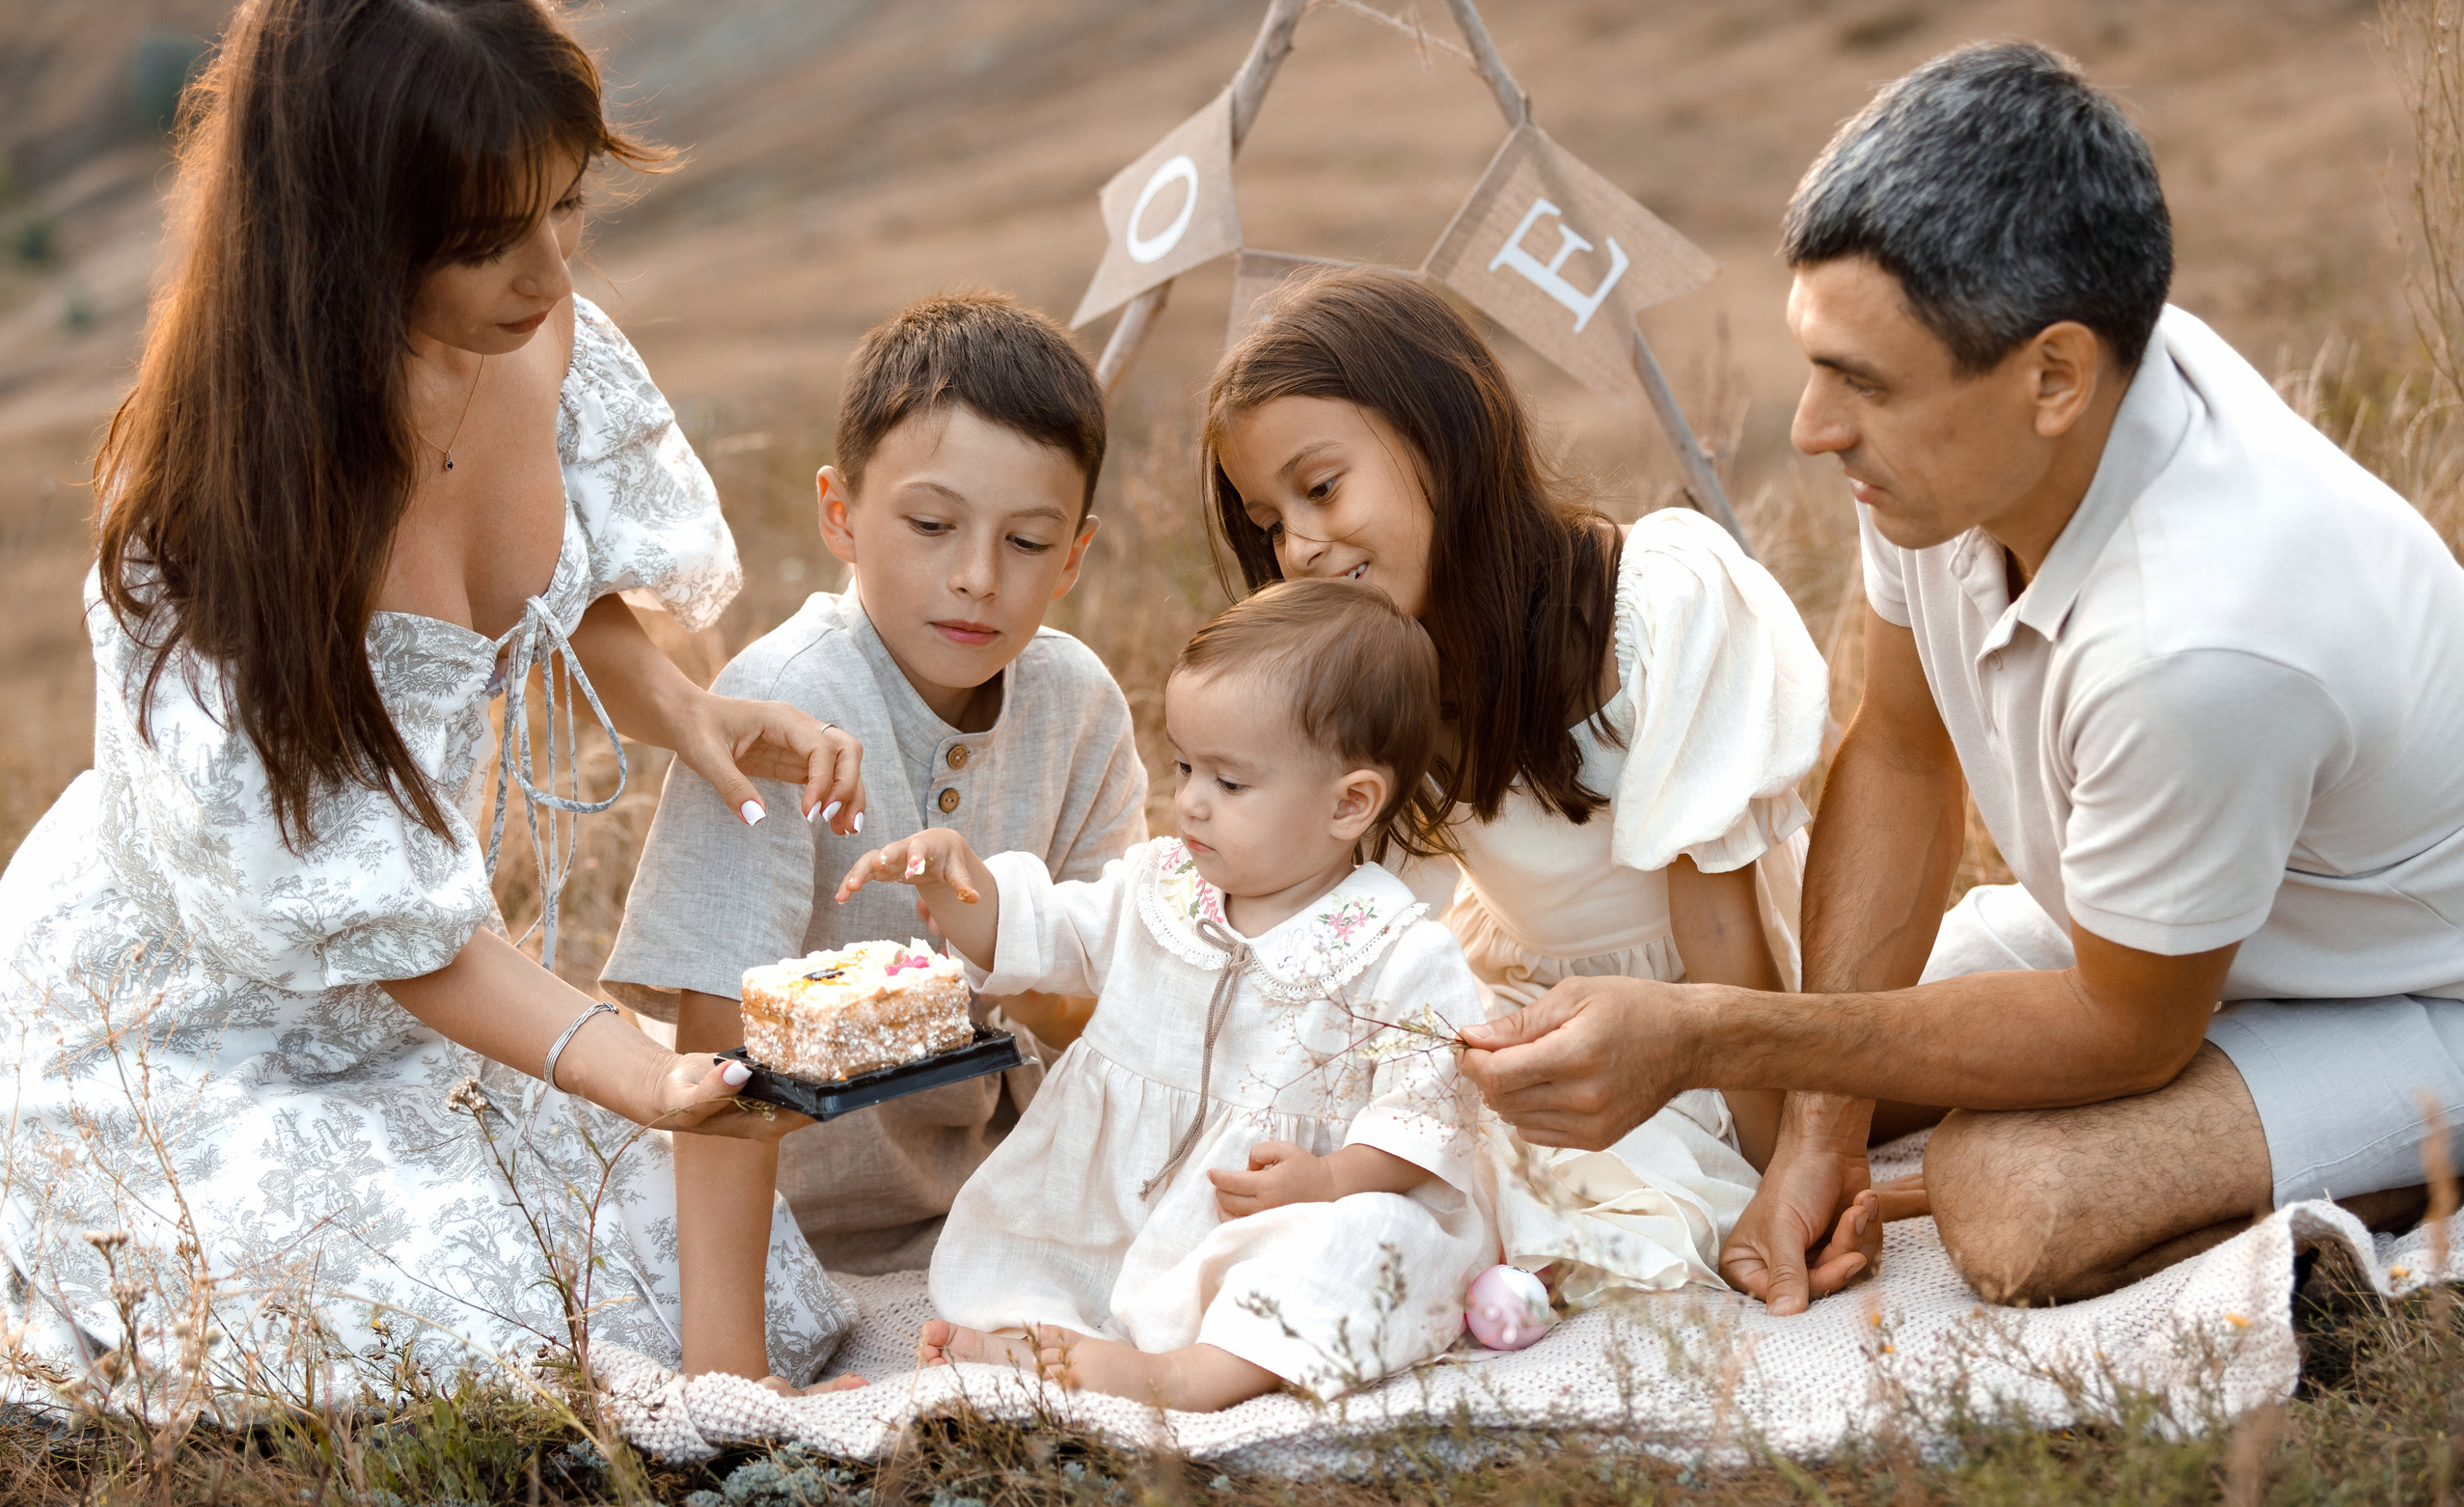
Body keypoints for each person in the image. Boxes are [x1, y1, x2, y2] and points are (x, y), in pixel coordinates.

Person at [1460, 42, 2464, 1314]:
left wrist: (1712, 1026)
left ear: (2054, 375)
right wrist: (1820, 1129)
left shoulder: (2201, 641)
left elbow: (2125, 1031)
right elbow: (1899, 749)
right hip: (2173, 936)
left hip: (2411, 993)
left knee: (2008, 1194)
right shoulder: (1973, 448)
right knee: (1767, 1099)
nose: (1813, 428)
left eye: (1862, 384)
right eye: (1816, 363)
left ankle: (2397, 1180)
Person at [0, 0, 870, 1396]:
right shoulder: (212, 535)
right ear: (342, 235)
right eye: (484, 239)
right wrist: (629, 1071)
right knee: (474, 1346)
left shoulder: (542, 334)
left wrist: (679, 705)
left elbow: (562, 578)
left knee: (730, 1285)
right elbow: (367, 913)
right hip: (190, 1020)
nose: (550, 270)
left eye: (565, 204)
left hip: (427, 1003)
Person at [1203, 270, 1829, 1307]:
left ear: (1443, 438)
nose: (1300, 546)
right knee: (1392, 1161)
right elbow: (1356, 923)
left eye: (1322, 488)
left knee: (1600, 1199)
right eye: (1270, 521)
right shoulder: (1383, 668)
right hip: (1535, 995)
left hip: (1714, 999)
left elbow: (1721, 934)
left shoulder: (1651, 604)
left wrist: (1784, 1175)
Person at [600, 292, 1146, 1386]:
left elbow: (1108, 1006)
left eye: (1027, 541)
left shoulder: (1078, 706)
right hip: (786, 1230)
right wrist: (730, 1374)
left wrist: (1011, 948)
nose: (978, 576)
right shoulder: (783, 702)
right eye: (931, 525)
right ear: (840, 514)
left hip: (990, 1208)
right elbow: (716, 1047)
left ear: (1074, 555)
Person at [842, 581, 1493, 1411]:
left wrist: (1331, 1177)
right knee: (1040, 1234)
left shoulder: (1399, 947)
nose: (1189, 800)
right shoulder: (1164, 885)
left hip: (1277, 1211)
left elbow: (1426, 1113)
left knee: (1375, 1241)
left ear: (1349, 803)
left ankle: (1193, 1373)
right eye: (1185, 766)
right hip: (1124, 1194)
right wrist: (959, 884)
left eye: (1230, 782)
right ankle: (1044, 1332)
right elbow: (1049, 933)